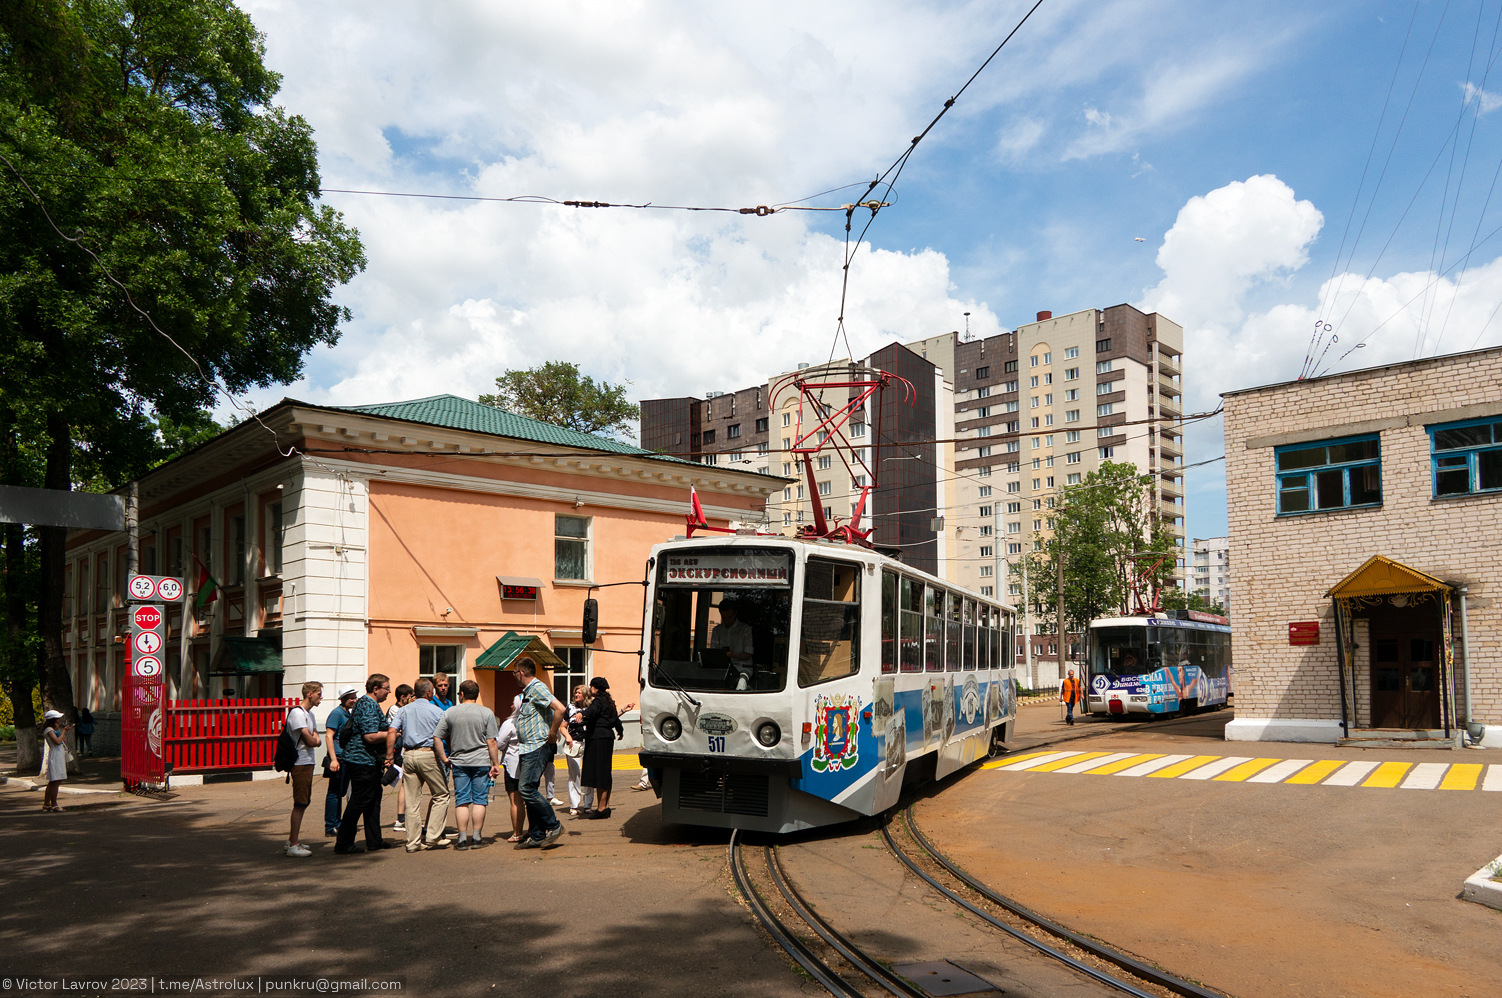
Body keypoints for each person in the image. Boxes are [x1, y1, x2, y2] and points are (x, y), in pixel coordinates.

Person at [433, 679, 500, 849]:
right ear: (476, 695)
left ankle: (462, 839)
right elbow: (491, 740)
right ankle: (476, 837)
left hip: (459, 761)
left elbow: (437, 737)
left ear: (461, 694)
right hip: (481, 761)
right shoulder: (487, 713)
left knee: (461, 800)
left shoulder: (450, 712)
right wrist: (495, 763)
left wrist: (444, 758)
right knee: (480, 799)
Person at [334, 674, 394, 855]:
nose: (389, 692)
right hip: (362, 761)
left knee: (373, 800)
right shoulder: (368, 705)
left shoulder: (367, 704)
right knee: (359, 801)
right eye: (386, 688)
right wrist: (393, 734)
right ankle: (344, 843)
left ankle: (374, 840)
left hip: (368, 761)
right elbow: (370, 736)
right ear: (375, 689)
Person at [392, 678, 454, 852]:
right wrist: (446, 757)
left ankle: (412, 843)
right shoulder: (436, 711)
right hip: (428, 754)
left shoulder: (404, 710)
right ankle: (433, 837)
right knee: (441, 794)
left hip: (409, 755)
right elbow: (444, 734)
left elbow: (392, 731)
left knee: (412, 801)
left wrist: (389, 755)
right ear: (428, 692)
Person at [512, 657, 566, 849]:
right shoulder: (529, 691)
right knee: (529, 790)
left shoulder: (536, 687)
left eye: (514, 673)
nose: (514, 677)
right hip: (528, 747)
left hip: (537, 746)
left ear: (521, 672)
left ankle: (554, 825)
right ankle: (536, 835)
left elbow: (560, 709)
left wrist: (552, 733)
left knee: (526, 788)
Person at [284, 682, 323, 857]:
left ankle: (293, 839)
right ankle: (292, 845)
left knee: (304, 801)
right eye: (318, 694)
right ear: (309, 694)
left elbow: (317, 738)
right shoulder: (297, 714)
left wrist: (315, 738)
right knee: (300, 803)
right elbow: (311, 740)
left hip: (308, 762)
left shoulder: (310, 714)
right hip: (300, 763)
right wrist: (314, 739)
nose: (321, 697)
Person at [581, 676, 624, 819]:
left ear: (595, 688)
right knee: (605, 771)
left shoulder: (598, 701)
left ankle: (600, 808)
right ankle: (605, 806)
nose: (589, 688)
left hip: (598, 738)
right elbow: (615, 719)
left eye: (591, 686)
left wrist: (582, 714)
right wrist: (620, 731)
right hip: (607, 737)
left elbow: (592, 710)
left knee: (599, 772)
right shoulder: (609, 701)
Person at [323, 687, 359, 836]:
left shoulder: (347, 714)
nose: (354, 700)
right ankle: (331, 825)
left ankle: (337, 822)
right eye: (351, 697)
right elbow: (329, 736)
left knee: (341, 792)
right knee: (334, 792)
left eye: (355, 697)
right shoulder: (337, 714)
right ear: (343, 699)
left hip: (344, 757)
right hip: (337, 758)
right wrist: (333, 759)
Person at [496, 696, 526, 842]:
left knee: (515, 800)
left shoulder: (510, 723)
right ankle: (532, 829)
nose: (510, 706)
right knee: (528, 798)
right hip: (529, 762)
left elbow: (499, 743)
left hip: (513, 764)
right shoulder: (530, 722)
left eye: (513, 704)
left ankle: (517, 832)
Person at [563, 686, 594, 816]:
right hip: (574, 743)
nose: (576, 694)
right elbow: (563, 726)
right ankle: (574, 805)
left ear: (585, 695)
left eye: (579, 692)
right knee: (574, 774)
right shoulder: (570, 708)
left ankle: (587, 804)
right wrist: (567, 737)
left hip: (590, 742)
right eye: (575, 692)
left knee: (589, 773)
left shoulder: (591, 708)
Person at [710, 599, 755, 689]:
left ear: (735, 614)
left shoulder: (745, 629)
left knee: (741, 684)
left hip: (742, 668)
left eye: (729, 617)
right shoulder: (717, 630)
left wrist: (733, 655)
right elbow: (713, 652)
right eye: (724, 617)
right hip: (722, 670)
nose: (727, 621)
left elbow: (748, 654)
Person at [388, 684, 415, 830]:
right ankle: (401, 818)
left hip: (402, 750)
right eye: (410, 697)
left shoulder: (404, 709)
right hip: (398, 751)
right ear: (403, 697)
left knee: (407, 784)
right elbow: (403, 727)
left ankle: (405, 816)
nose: (412, 699)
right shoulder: (395, 710)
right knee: (405, 784)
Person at [40, 710, 72, 812]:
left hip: (59, 754)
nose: (59, 720)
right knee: (56, 781)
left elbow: (62, 741)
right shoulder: (49, 730)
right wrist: (65, 731)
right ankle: (54, 804)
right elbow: (57, 741)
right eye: (57, 718)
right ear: (53, 719)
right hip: (55, 756)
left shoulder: (53, 729)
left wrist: (61, 732)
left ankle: (46, 804)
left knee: (54, 781)